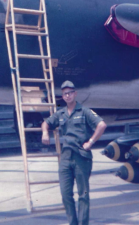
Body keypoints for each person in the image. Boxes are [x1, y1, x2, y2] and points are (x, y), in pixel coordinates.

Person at [41, 81, 107, 225]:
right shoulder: (61, 114)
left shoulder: (84, 111)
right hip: (65, 157)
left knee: (83, 194)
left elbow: (101, 125)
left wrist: (91, 142)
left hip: (81, 157)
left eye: (70, 92)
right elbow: (46, 122)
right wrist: (45, 132)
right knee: (66, 194)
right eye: (65, 93)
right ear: (63, 96)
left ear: (75, 94)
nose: (68, 95)